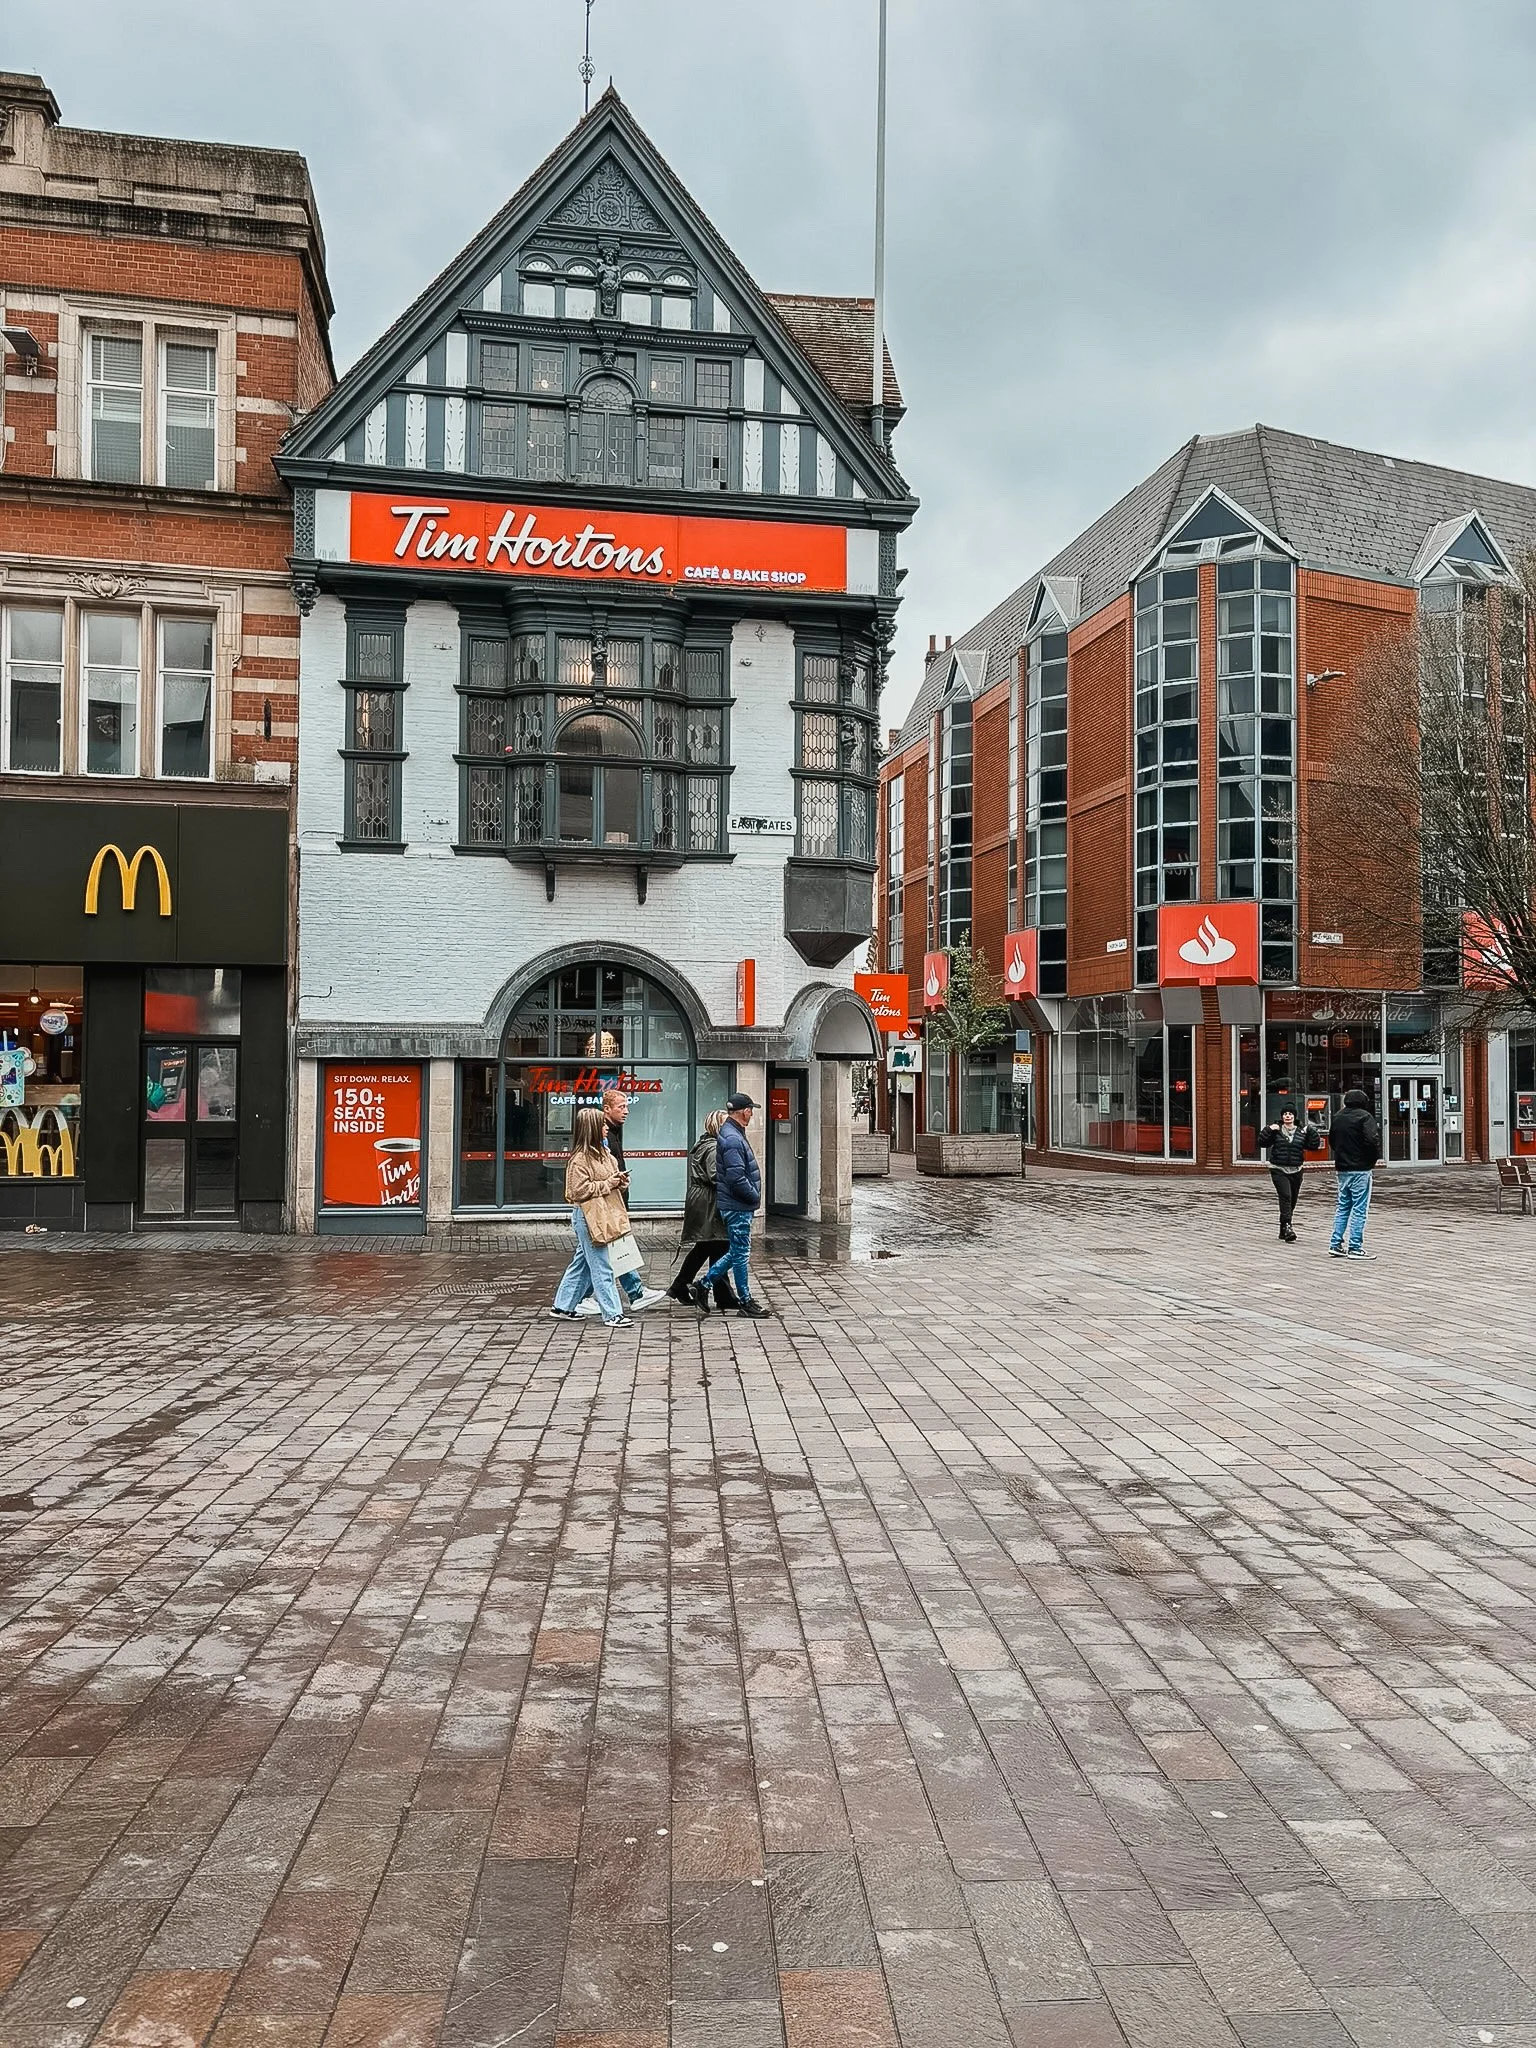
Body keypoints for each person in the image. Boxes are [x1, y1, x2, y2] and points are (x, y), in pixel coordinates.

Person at [573, 1087, 667, 1316]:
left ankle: (575, 1300)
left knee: (588, 1257)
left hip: (611, 1200)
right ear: (606, 1110)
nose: (626, 1112)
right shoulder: (603, 1136)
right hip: (602, 1204)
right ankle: (634, 1294)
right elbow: (595, 1176)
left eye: (626, 1106)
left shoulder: (613, 1132)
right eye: (621, 1107)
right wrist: (615, 1186)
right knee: (612, 1249)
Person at [549, 1107, 630, 1327]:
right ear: (593, 1129)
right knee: (602, 1265)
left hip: (604, 1214)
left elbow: (614, 1182)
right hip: (588, 1216)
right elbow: (576, 1191)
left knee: (582, 1262)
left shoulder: (605, 1155)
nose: (606, 1128)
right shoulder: (579, 1160)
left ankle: (562, 1306)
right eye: (602, 1125)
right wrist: (608, 1184)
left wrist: (621, 1182)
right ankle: (612, 1313)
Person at [692, 1092, 770, 1318]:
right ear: (745, 1111)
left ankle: (703, 1286)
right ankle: (745, 1300)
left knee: (737, 1252)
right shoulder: (733, 1138)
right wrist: (753, 1195)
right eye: (751, 1110)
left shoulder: (730, 1133)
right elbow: (737, 1178)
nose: (752, 1114)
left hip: (735, 1205)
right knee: (741, 1254)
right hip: (738, 1205)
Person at [667, 1109, 740, 1311]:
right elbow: (716, 1175)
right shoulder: (714, 1147)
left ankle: (682, 1286)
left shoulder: (706, 1144)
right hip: (709, 1201)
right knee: (717, 1244)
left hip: (704, 1199)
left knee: (709, 1245)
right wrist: (738, 1185)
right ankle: (719, 1294)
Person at [1328, 1087, 1381, 1258]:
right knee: (1359, 1208)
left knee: (1343, 1206)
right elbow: (1372, 1140)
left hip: (1342, 1167)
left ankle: (1335, 1243)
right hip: (1361, 1168)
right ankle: (1355, 1247)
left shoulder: (1337, 1117)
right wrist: (1372, 1160)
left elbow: (1332, 1140)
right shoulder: (1365, 1117)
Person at [1256, 1105, 1319, 1243]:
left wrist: (1312, 1131)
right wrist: (1268, 1129)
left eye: (1290, 1114)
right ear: (1282, 1116)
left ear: (1294, 1116)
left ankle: (1283, 1227)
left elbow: (1313, 1146)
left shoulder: (1301, 1132)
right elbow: (1262, 1142)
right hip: (1278, 1169)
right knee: (1286, 1196)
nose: (1288, 1116)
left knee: (1293, 1199)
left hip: (1296, 1169)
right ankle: (1288, 1227)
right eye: (1285, 1114)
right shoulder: (1276, 1131)